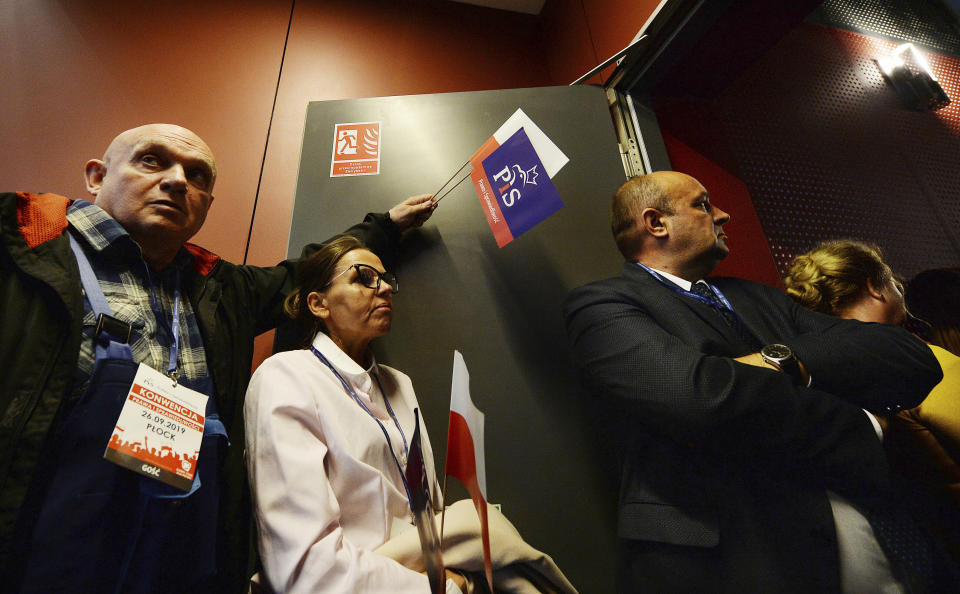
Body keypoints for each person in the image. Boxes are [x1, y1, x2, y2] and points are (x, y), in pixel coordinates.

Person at [0, 123, 436, 593]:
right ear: (96, 175)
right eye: (151, 160)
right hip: (38, 557)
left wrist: (385, 227)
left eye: (198, 176)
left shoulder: (220, 288)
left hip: (178, 563)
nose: (176, 180)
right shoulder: (21, 251)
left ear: (207, 203)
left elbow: (309, 271)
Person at [562, 171, 942, 593]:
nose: (723, 215)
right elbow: (699, 398)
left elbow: (907, 356)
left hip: (868, 536)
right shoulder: (601, 306)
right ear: (656, 223)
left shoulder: (757, 296)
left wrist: (783, 362)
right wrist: (863, 423)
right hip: (728, 558)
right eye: (703, 204)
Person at [244, 237, 579, 594]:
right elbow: (306, 568)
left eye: (386, 278)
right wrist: (447, 589)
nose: (386, 287)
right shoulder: (286, 376)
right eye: (363, 278)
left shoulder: (398, 383)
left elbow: (427, 506)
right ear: (318, 303)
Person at [785, 243, 960, 568]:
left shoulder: (824, 377)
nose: (900, 290)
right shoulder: (912, 358)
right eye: (893, 281)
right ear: (874, 288)